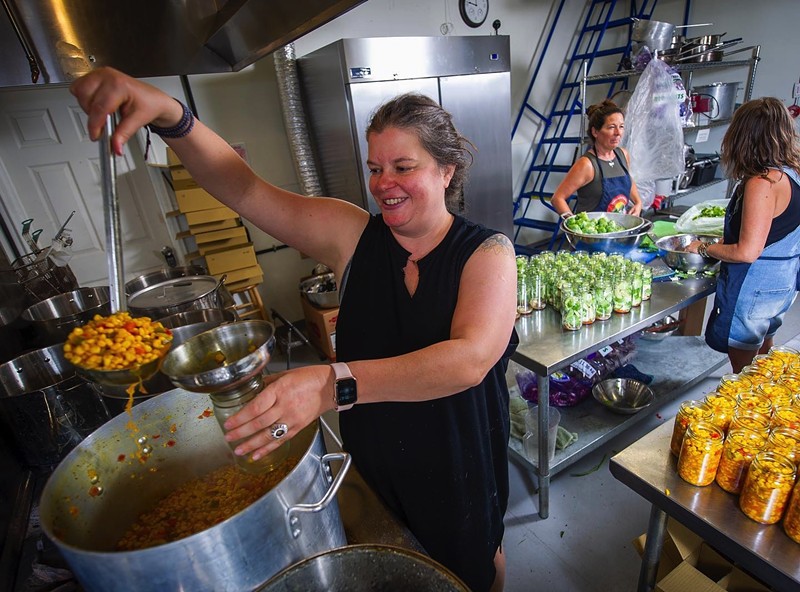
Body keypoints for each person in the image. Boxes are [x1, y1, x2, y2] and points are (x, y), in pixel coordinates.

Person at [70, 67, 518, 592]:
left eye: (403, 166)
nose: (383, 184)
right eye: (375, 168)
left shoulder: (488, 253)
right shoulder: (351, 235)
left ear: (446, 170)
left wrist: (331, 384)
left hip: (459, 460)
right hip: (376, 460)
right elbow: (244, 189)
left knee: (475, 562)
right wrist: (174, 117)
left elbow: (467, 362)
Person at [686, 97, 800, 373]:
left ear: (743, 138)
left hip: (755, 288)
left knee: (745, 376)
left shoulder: (763, 182)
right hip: (781, 284)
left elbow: (748, 251)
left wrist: (703, 248)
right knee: (763, 360)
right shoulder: (791, 173)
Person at [550, 99, 643, 218]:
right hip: (593, 234)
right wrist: (574, 227)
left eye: (621, 126)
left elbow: (628, 180)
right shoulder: (587, 164)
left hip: (618, 229)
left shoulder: (623, 155)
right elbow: (557, 198)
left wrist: (638, 203)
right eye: (611, 127)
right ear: (595, 131)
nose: (618, 132)